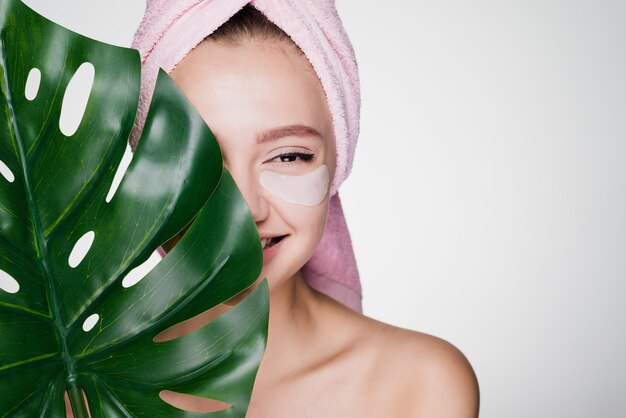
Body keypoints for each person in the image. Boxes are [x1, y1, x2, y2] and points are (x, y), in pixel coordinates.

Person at [131, 1, 480, 417]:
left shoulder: (418, 385)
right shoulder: (66, 386)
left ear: (337, 162)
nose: (245, 208)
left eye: (289, 156)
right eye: (197, 156)